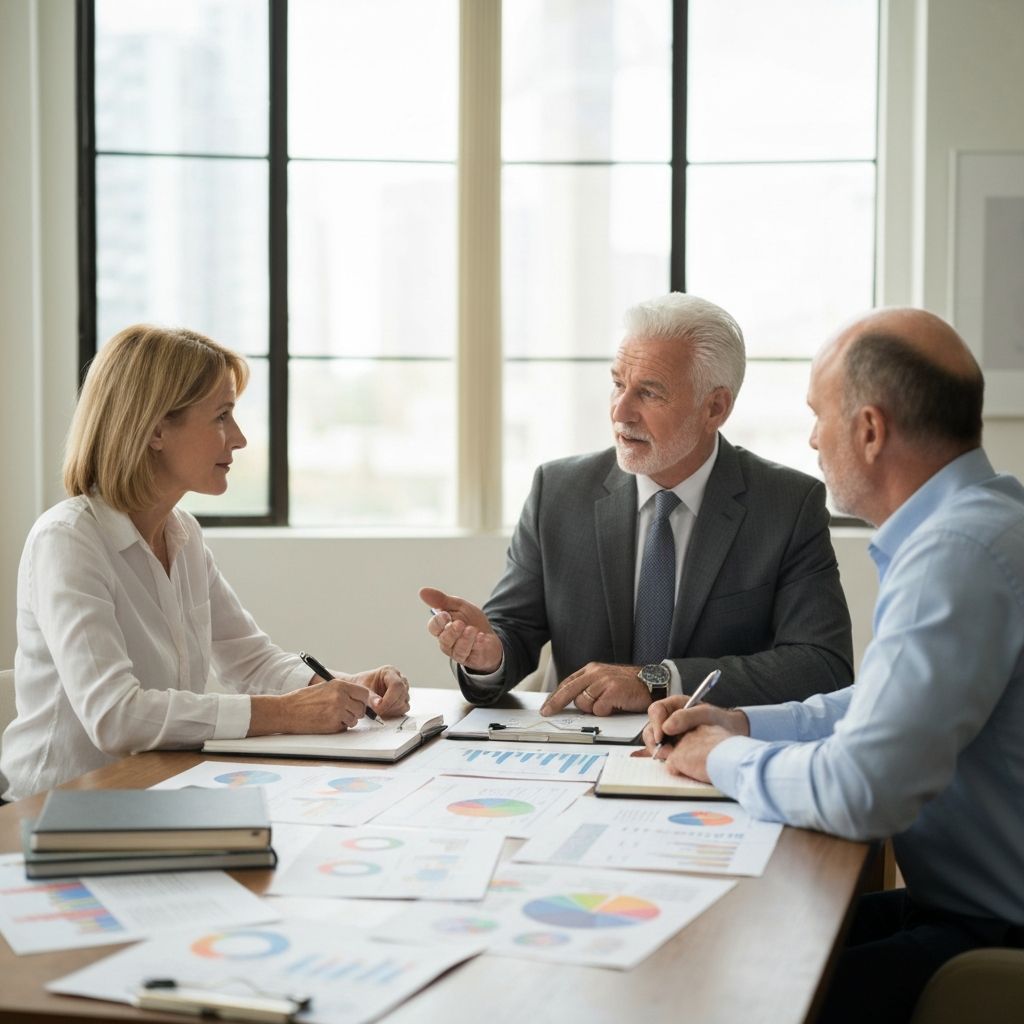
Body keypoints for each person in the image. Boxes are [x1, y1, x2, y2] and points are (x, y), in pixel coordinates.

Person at [644, 308, 1024, 1024]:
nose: (812, 439)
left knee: (725, 991)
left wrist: (719, 757)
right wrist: (741, 720)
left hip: (991, 937)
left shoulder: (956, 556)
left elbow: (860, 790)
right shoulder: (986, 523)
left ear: (871, 431)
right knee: (749, 931)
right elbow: (879, 706)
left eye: (820, 416)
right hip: (970, 907)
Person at [1, 325, 410, 801]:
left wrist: (344, 686)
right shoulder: (68, 540)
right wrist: (286, 712)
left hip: (151, 794)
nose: (238, 439)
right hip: (49, 811)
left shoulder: (182, 533)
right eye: (222, 416)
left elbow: (249, 659)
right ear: (155, 429)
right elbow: (115, 717)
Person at [421, 292, 853, 716]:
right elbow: (512, 632)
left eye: (649, 393)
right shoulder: (558, 491)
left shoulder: (788, 505)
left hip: (708, 751)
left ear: (715, 408)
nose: (620, 411)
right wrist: (487, 655)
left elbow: (823, 665)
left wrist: (658, 680)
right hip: (575, 748)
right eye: (617, 384)